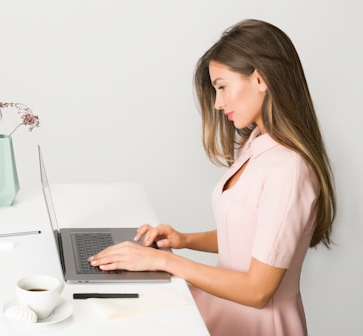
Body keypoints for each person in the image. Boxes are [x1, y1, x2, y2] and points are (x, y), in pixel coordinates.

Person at [88, 19, 336, 336]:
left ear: (260, 79)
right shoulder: (256, 144)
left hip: (260, 325)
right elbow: (249, 235)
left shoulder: (289, 170)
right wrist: (183, 240)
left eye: (222, 86)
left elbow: (258, 292)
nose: (218, 103)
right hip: (223, 310)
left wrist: (164, 262)